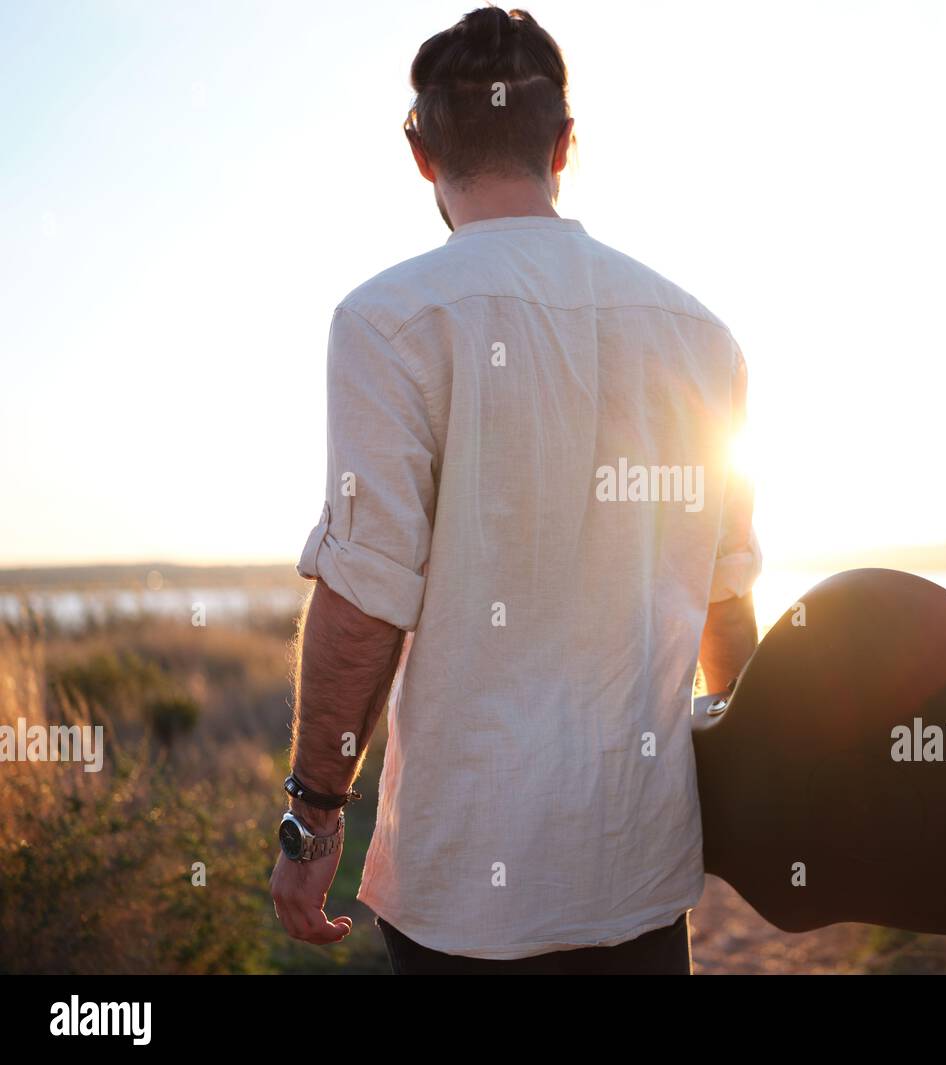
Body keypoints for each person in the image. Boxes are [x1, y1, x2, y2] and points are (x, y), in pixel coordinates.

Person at [269, 5, 761, 975]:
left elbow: (366, 602)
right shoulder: (699, 335)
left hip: (463, 892)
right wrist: (759, 804)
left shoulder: (387, 322)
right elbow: (725, 606)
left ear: (420, 152)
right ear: (564, 144)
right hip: (639, 874)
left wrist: (313, 816)